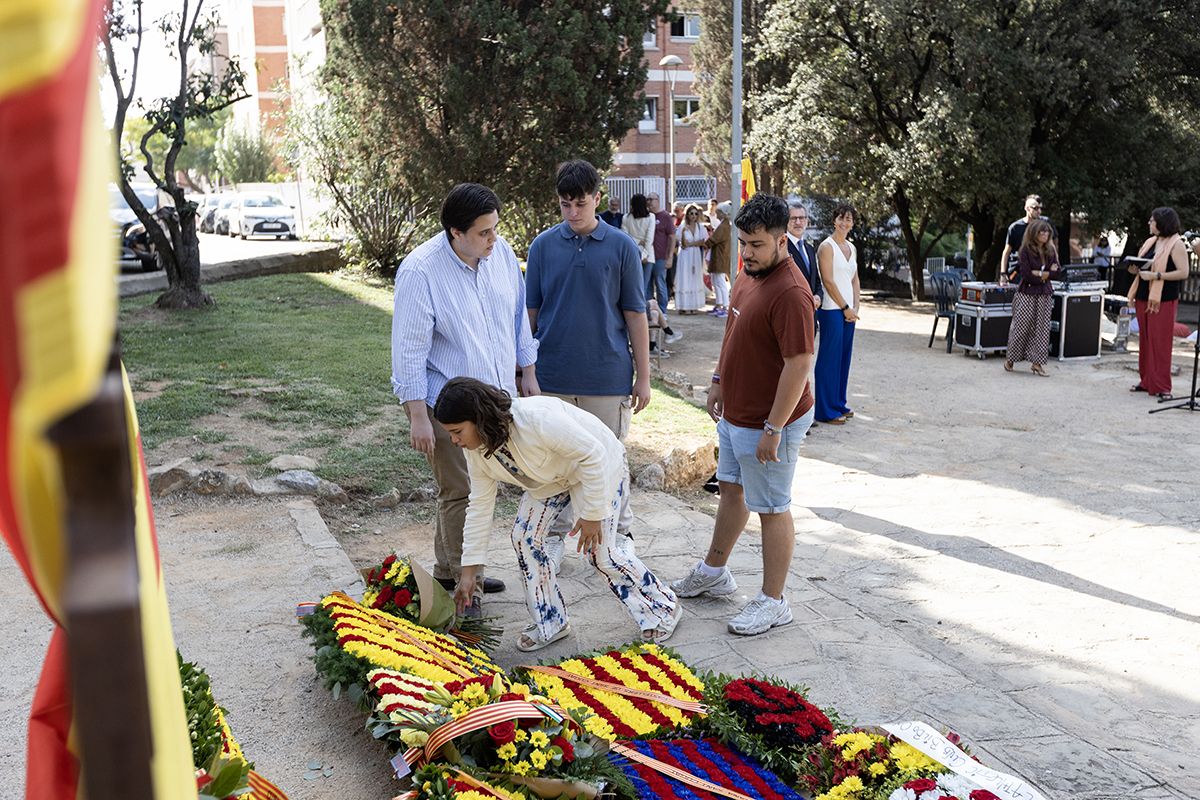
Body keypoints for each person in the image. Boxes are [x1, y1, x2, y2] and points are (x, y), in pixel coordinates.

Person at [436, 378, 681, 651]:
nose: (454, 441)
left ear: (479, 418)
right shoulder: (477, 450)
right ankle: (551, 621)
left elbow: (593, 455)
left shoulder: (538, 418)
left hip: (597, 467)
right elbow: (480, 507)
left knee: (601, 552)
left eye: (457, 431)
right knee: (524, 538)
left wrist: (592, 515)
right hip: (551, 481)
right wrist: (469, 572)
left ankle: (663, 606)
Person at [670, 193, 817, 636]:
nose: (747, 253)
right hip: (738, 410)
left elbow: (799, 365)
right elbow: (733, 328)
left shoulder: (792, 293)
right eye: (743, 244)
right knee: (731, 490)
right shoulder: (748, 272)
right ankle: (714, 573)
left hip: (772, 421)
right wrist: (718, 378)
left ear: (781, 241)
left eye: (755, 245)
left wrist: (774, 427)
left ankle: (774, 601)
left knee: (773, 507)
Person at [391, 183, 536, 607]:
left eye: (495, 229)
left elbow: (516, 315)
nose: (494, 239)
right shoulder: (420, 271)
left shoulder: (501, 253)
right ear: (456, 232)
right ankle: (461, 578)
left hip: (493, 399)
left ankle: (446, 568)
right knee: (460, 489)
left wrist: (527, 370)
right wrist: (418, 415)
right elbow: (409, 349)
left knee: (476, 483)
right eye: (484, 233)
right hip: (442, 402)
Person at [525, 160, 652, 573]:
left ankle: (621, 536)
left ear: (598, 199)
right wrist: (523, 369)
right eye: (565, 205)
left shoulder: (622, 247)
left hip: (608, 375)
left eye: (580, 203)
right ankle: (556, 537)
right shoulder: (542, 246)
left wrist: (644, 377)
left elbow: (635, 314)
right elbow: (531, 312)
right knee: (556, 463)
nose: (573, 212)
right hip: (553, 375)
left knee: (610, 459)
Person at [1127, 207, 1190, 397]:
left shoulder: (1176, 243)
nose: (1149, 223)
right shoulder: (1150, 242)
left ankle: (1162, 386)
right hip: (1143, 296)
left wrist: (1156, 275)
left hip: (1162, 299)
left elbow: (1183, 272)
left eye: (1152, 220)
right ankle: (1146, 381)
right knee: (1145, 342)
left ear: (1162, 223)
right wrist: (1135, 270)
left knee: (1160, 343)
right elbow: (1144, 266)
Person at [813, 204, 861, 424]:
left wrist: (855, 308)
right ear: (834, 221)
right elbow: (828, 281)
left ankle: (838, 404)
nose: (845, 222)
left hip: (849, 311)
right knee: (829, 359)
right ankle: (825, 410)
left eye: (849, 219)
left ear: (853, 223)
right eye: (841, 218)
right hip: (833, 309)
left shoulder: (852, 247)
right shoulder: (826, 247)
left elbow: (854, 279)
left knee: (843, 359)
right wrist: (844, 307)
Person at [1002, 219, 1061, 377]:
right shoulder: (1025, 250)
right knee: (1021, 327)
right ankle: (1011, 360)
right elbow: (1027, 274)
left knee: (1042, 330)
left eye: (1047, 232)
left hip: (1044, 294)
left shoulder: (1051, 250)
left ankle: (1037, 364)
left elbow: (1057, 271)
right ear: (1034, 233)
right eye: (1041, 231)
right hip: (1026, 294)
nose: (1045, 234)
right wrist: (1045, 274)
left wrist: (1040, 274)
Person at [999, 194, 1051, 284]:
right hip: (1018, 273)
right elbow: (1006, 252)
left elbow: (1050, 248)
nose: (1039, 211)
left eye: (1040, 208)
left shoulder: (1044, 226)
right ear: (1027, 208)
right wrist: (1003, 274)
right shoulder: (1015, 227)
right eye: (1035, 208)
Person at [786, 200, 824, 314]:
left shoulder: (809, 249)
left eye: (801, 218)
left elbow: (816, 280)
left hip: (811, 313)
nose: (798, 222)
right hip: (792, 312)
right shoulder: (781, 248)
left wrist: (818, 296)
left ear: (807, 221)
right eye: (793, 218)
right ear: (786, 221)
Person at [674, 203, 709, 313]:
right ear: (687, 214)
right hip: (685, 256)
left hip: (696, 255)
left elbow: (703, 241)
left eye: (695, 213)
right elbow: (683, 244)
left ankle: (694, 305)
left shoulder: (700, 227)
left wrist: (692, 244)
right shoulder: (682, 227)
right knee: (685, 278)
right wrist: (690, 240)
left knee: (695, 278)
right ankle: (683, 306)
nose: (693, 216)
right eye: (691, 213)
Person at [646, 191, 676, 316]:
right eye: (647, 199)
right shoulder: (646, 216)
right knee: (647, 284)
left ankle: (662, 311)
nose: (649, 202)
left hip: (660, 257)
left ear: (658, 200)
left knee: (660, 284)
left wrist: (669, 258)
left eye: (651, 199)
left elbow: (672, 237)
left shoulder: (665, 216)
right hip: (647, 257)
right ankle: (649, 311)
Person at [705, 202, 732, 318]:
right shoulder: (723, 224)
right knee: (716, 282)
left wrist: (704, 244)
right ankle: (719, 304)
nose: (717, 213)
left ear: (724, 213)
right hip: (717, 256)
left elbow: (715, 239)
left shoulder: (725, 225)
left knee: (720, 283)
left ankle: (725, 306)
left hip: (720, 256)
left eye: (719, 212)